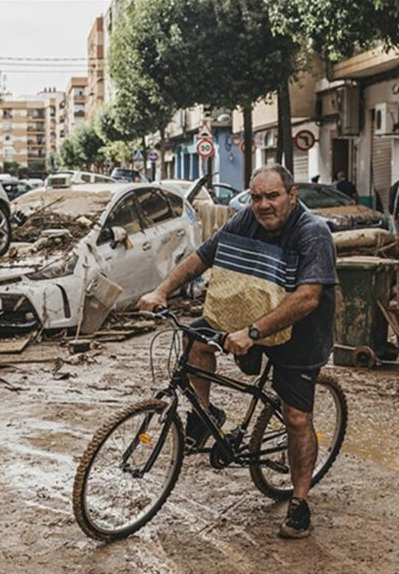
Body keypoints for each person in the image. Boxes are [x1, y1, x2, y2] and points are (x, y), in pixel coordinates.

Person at [138, 164, 337, 539]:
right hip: (248, 313)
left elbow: (308, 297)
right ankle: (205, 411)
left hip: (301, 333)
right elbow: (202, 256)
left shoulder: (314, 234)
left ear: (292, 196)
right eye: (257, 196)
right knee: (195, 338)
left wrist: (255, 331)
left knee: (296, 418)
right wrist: (162, 290)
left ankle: (299, 501)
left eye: (272, 196)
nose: (263, 204)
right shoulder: (245, 219)